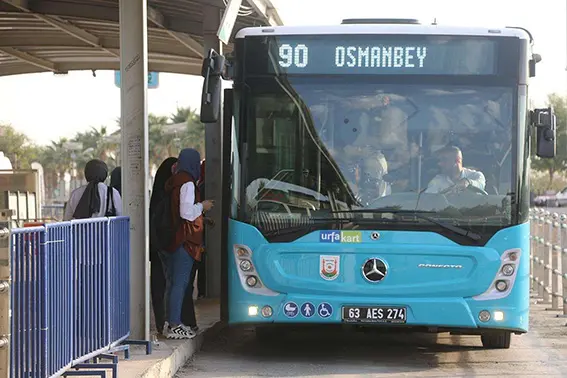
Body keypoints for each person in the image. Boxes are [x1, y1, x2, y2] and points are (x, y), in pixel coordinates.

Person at [160, 148, 214, 339]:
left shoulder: (175, 180)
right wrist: (203, 206)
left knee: (174, 283)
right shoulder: (188, 183)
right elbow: (186, 213)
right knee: (180, 283)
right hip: (185, 241)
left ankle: (171, 322)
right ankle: (175, 324)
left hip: (175, 239)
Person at [149, 157, 177, 336]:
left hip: (156, 246)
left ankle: (161, 321)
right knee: (170, 284)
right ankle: (167, 321)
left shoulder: (156, 195)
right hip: (168, 246)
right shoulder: (170, 194)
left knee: (158, 285)